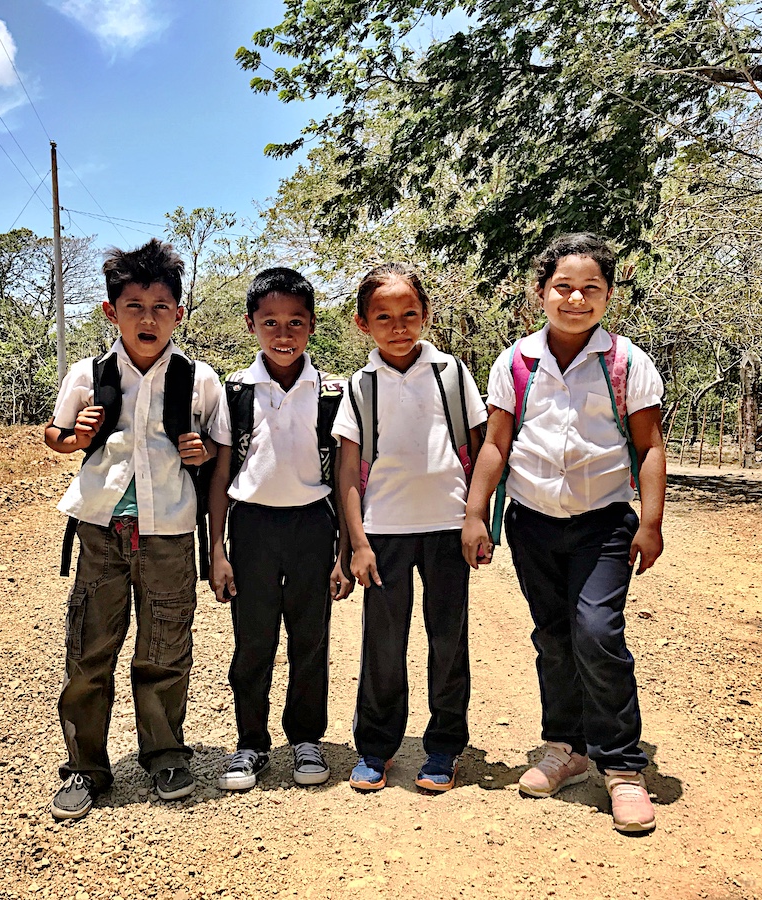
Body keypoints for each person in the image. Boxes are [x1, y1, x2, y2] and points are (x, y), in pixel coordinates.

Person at [462, 232, 667, 833]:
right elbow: (497, 442)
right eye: (563, 287)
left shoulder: (626, 363)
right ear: (540, 292)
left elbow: (649, 444)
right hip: (531, 523)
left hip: (603, 522)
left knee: (596, 631)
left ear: (609, 295)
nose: (576, 299)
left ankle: (623, 767)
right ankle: (566, 748)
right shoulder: (517, 362)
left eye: (591, 289)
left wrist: (650, 522)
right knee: (553, 635)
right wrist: (477, 513)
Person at [43, 239, 227, 818]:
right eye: (133, 306)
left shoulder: (200, 380)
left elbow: (219, 448)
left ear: (179, 312)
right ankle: (86, 767)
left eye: (160, 307)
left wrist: (200, 454)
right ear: (109, 312)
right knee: (89, 650)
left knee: (165, 646)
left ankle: (164, 753)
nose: (148, 319)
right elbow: (56, 434)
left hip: (170, 531)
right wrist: (73, 437)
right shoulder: (88, 373)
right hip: (100, 529)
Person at [332, 263, 487, 793]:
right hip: (383, 533)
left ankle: (444, 746)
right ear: (362, 324)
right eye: (384, 317)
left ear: (426, 315)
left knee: (448, 640)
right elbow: (348, 470)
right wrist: (356, 542)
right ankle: (376, 746)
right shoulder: (360, 385)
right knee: (382, 642)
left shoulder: (452, 374)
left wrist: (477, 517)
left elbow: (482, 444)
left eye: (410, 314)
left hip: (447, 526)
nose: (399, 327)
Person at [207, 267, 354, 791]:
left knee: (310, 637)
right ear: (251, 325)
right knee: (253, 639)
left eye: (295, 321)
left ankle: (306, 739)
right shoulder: (237, 390)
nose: (283, 333)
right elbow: (222, 472)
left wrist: (344, 551)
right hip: (252, 528)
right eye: (270, 322)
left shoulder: (335, 392)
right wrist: (217, 550)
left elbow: (342, 475)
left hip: (313, 526)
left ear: (312, 325)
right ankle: (250, 743)